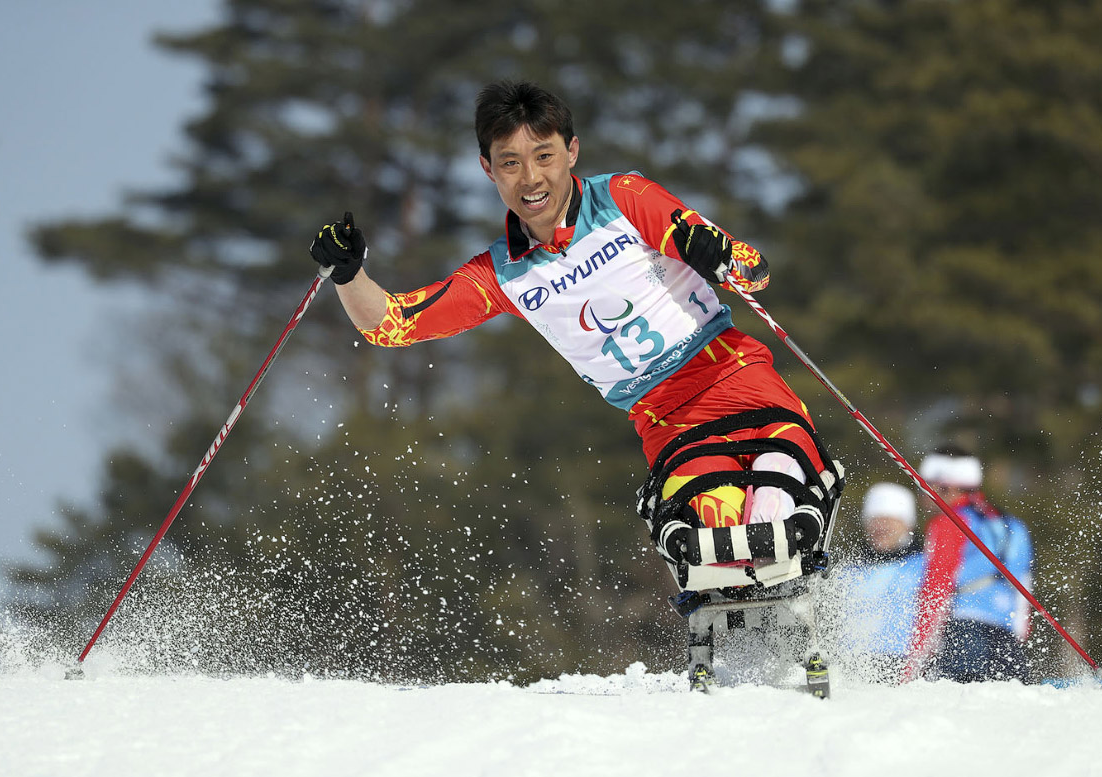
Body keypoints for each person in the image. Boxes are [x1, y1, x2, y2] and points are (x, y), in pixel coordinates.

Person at [308, 80, 843, 686]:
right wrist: (348, 274)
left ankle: (799, 626)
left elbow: (751, 270)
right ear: (488, 169)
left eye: (543, 156)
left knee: (777, 493)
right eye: (509, 163)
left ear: (572, 152)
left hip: (737, 376)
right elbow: (392, 326)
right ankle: (745, 660)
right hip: (667, 419)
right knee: (712, 525)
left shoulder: (623, 198)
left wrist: (717, 253)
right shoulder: (503, 273)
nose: (529, 179)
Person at [903, 447, 1034, 683]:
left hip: (963, 636)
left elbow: (936, 590)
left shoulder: (948, 522)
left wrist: (914, 665)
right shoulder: (1014, 524)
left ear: (947, 487)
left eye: (924, 486)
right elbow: (1023, 592)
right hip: (1007, 641)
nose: (920, 495)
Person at [833, 482, 926, 681]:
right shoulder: (848, 570)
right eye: (875, 520)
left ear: (907, 524)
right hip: (852, 664)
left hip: (903, 663)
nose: (881, 527)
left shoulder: (924, 565)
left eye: (890, 520)